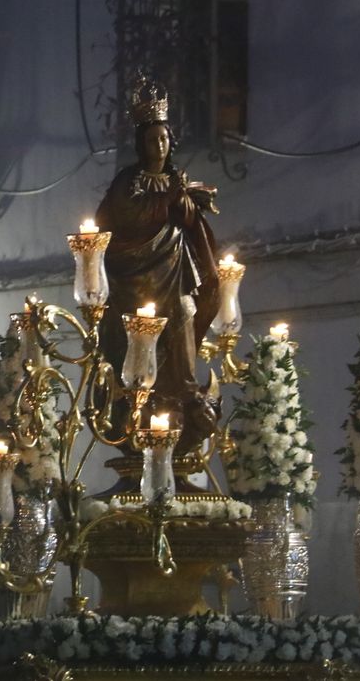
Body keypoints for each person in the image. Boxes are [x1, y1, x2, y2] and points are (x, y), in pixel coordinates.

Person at [94, 79, 221, 458]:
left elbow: (186, 221)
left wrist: (185, 202)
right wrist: (166, 199)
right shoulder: (128, 181)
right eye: (152, 140)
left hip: (176, 268)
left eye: (164, 139)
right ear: (141, 144)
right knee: (138, 335)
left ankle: (183, 391)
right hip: (136, 273)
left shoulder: (177, 179)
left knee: (185, 314)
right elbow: (124, 218)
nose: (159, 146)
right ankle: (135, 401)